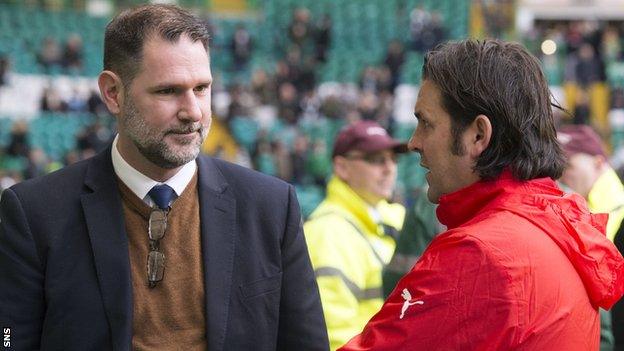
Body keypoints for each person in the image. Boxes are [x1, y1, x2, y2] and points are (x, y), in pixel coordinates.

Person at [0, 5, 328, 350]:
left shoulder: (272, 207)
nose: (193, 112)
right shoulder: (35, 214)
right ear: (113, 93)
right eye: (168, 91)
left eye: (202, 88)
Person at [339, 39, 624, 350]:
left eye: (426, 124)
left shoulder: (479, 254)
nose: (413, 142)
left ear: (478, 135)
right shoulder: (558, 227)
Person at [304, 120, 407, 350]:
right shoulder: (327, 233)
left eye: (393, 159)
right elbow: (333, 336)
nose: (389, 168)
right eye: (375, 160)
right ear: (341, 167)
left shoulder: (394, 216)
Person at [557, 124, 624, 350]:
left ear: (598, 163)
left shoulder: (614, 214)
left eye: (568, 165)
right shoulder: (576, 212)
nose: (560, 174)